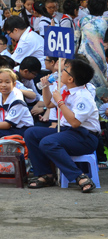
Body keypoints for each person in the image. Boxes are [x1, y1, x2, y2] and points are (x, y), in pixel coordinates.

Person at [25, 59, 100, 192]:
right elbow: (48, 104)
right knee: (31, 133)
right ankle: (46, 175)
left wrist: (60, 102)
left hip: (84, 137)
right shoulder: (65, 89)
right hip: (68, 131)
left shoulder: (83, 96)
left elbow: (75, 122)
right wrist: (46, 86)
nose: (60, 72)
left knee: (47, 142)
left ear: (71, 79)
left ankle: (79, 176)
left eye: (65, 70)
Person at [77, 0, 108, 88]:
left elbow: (76, 40)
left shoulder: (82, 20)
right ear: (104, 7)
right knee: (100, 84)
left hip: (82, 56)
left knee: (84, 83)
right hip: (99, 56)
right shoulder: (106, 21)